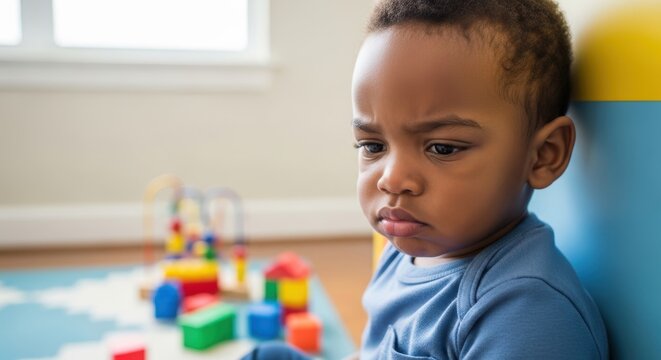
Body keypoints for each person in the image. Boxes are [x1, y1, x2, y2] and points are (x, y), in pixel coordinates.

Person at [243, 0, 608, 358]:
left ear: (544, 156)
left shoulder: (527, 311)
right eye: (372, 145)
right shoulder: (405, 249)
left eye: (442, 148)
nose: (392, 178)